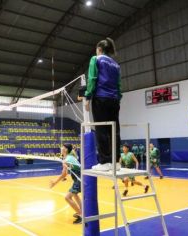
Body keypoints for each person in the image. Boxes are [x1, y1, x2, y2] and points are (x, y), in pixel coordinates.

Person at [84, 37, 121, 171]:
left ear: (99, 49)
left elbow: (92, 79)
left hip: (100, 98)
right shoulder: (116, 65)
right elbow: (119, 85)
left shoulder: (96, 59)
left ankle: (105, 162)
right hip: (114, 100)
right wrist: (117, 98)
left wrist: (88, 97)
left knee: (101, 129)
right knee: (114, 131)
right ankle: (116, 162)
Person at [50, 144, 82, 224]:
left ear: (66, 150)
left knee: (67, 197)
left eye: (63, 147)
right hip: (79, 178)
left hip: (80, 178)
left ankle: (81, 215)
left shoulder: (68, 159)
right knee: (75, 195)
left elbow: (64, 174)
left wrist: (54, 182)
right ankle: (83, 212)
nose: (61, 148)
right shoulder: (67, 158)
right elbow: (64, 173)